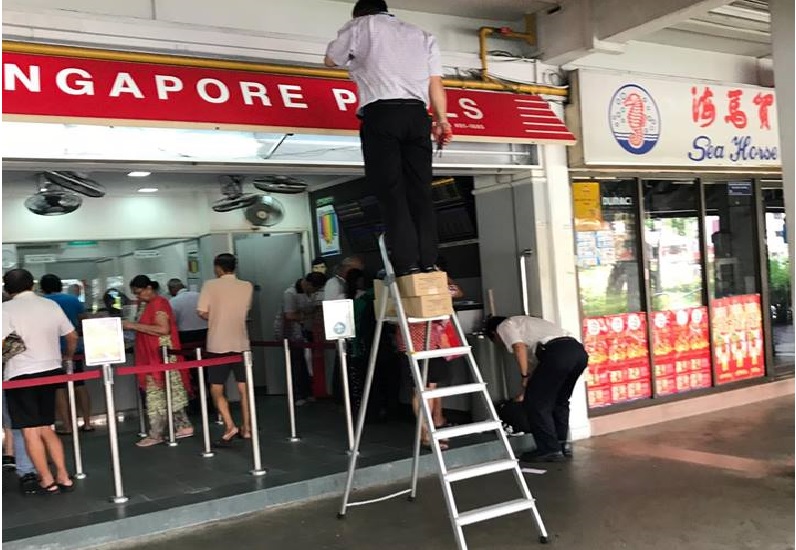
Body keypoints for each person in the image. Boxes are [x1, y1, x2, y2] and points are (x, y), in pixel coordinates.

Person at [325, 0, 452, 276]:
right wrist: (442, 120)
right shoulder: (423, 36)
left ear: (359, 12)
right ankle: (428, 260)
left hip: (381, 114)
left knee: (391, 190)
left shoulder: (361, 25)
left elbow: (331, 60)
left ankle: (406, 263)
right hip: (419, 116)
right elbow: (435, 84)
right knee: (420, 190)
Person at [2, 268, 76, 494]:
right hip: (51, 371)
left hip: (21, 374)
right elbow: (71, 336)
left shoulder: (5, 309)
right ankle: (63, 475)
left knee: (30, 431)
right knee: (45, 426)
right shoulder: (50, 305)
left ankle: (46, 479)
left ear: (6, 289)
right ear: (32, 285)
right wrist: (67, 357)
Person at [486, 315, 589, 463]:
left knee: (536, 405)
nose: (500, 343)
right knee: (560, 401)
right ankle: (562, 445)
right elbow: (541, 374)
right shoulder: (528, 324)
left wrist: (524, 375)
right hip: (578, 353)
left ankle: (549, 450)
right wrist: (526, 391)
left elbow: (518, 347)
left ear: (494, 334)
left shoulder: (504, 325)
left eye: (496, 341)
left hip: (557, 354)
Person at [123, 275, 194, 447]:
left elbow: (163, 329)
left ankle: (156, 434)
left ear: (149, 288)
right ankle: (183, 426)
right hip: (153, 354)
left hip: (160, 355)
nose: (137, 297)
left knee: (157, 394)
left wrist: (133, 326)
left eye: (139, 293)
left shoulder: (159, 303)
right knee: (167, 392)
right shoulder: (145, 304)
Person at [197, 253, 254, 446]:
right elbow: (244, 311)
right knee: (244, 389)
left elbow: (202, 312)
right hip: (241, 343)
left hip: (218, 344)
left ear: (217, 267)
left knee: (216, 388)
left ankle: (230, 425)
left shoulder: (210, 285)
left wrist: (215, 317)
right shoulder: (247, 286)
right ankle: (247, 428)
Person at [39, 274, 94, 434]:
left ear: (42, 288)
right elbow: (84, 319)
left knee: (59, 388)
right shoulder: (73, 300)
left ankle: (68, 426)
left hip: (53, 350)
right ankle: (87, 422)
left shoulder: (43, 303)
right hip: (74, 347)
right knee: (79, 384)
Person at [279, 272, 327, 405]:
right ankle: (298, 394)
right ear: (308, 283)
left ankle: (308, 391)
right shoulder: (290, 293)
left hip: (306, 331)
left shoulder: (310, 293)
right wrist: (306, 316)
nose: (314, 292)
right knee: (297, 363)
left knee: (306, 363)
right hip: (292, 333)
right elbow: (289, 315)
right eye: (314, 288)